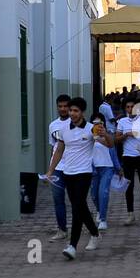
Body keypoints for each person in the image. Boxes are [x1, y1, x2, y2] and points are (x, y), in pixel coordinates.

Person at [44, 96, 105, 260]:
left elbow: (110, 144)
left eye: (75, 110)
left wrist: (105, 134)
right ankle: (94, 232)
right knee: (79, 206)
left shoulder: (92, 128)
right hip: (67, 173)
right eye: (70, 110)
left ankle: (72, 246)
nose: (71, 113)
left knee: (78, 207)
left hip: (84, 173)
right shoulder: (63, 129)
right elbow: (59, 150)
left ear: (82, 112)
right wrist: (50, 171)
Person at [115, 96, 140, 224]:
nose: (130, 109)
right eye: (128, 107)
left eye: (132, 107)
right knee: (128, 185)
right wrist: (126, 135)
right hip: (128, 157)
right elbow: (116, 139)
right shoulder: (122, 122)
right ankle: (130, 213)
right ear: (125, 109)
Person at [89, 112, 121, 230]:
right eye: (95, 123)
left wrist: (118, 168)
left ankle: (103, 219)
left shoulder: (108, 134)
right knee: (93, 195)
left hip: (107, 167)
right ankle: (99, 210)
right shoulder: (88, 134)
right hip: (93, 168)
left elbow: (112, 149)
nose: (97, 125)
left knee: (103, 192)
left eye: (100, 123)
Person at [47, 95, 71, 241]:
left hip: (73, 167)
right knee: (58, 199)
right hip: (57, 168)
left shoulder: (75, 123)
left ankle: (84, 225)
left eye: (65, 106)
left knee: (76, 200)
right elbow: (53, 147)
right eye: (60, 106)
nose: (62, 109)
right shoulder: (53, 125)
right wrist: (50, 168)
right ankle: (62, 229)